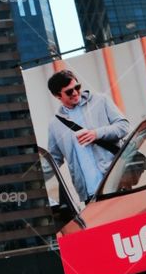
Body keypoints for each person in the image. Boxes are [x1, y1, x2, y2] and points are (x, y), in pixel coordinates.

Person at [46, 69, 130, 204]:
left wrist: (97, 133)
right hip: (89, 194)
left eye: (77, 87)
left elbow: (124, 126)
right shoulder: (55, 124)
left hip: (116, 183)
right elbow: (54, 158)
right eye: (69, 91)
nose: (75, 92)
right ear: (57, 95)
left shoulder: (101, 100)